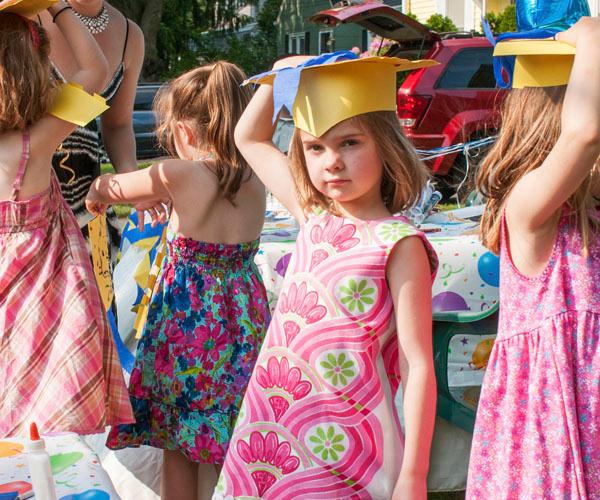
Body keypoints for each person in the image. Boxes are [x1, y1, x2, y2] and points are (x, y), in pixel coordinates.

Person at [215, 53, 439, 499]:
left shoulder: (399, 243)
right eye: (315, 147)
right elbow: (248, 137)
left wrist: (414, 475)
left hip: (349, 444)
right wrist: (281, 73)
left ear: (386, 146)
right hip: (274, 430)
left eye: (351, 143)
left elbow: (418, 366)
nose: (331, 161)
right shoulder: (312, 215)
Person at [85, 62, 271, 500]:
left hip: (189, 328)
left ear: (185, 132)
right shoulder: (255, 177)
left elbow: (108, 186)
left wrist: (100, 194)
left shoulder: (179, 174)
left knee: (178, 441)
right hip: (243, 320)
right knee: (231, 430)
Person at [467, 17, 600, 498]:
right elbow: (584, 133)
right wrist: (592, 39)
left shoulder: (589, 214)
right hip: (555, 429)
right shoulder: (527, 207)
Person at [0, 1, 133, 437]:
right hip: (47, 306)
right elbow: (94, 70)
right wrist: (58, 7)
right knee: (41, 424)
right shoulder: (36, 144)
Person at [38, 0, 155, 269]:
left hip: (89, 207)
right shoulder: (30, 14)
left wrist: (134, 184)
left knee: (94, 307)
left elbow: (118, 125)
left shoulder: (129, 35)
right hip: (29, 199)